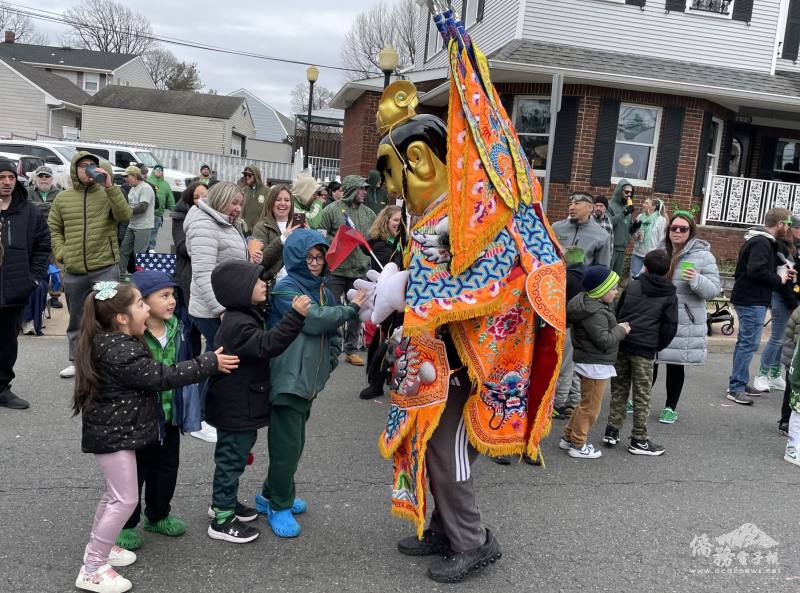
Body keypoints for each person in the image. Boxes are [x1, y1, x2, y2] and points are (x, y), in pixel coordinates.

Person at [71, 281, 237, 593]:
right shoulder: (121, 349)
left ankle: (101, 549)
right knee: (125, 499)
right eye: (140, 304)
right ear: (121, 317)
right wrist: (209, 362)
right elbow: (163, 377)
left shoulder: (113, 340)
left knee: (114, 497)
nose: (147, 308)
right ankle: (92, 566)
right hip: (114, 435)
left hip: (114, 431)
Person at [260, 230, 366, 538]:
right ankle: (278, 505)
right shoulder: (286, 289)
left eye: (319, 257)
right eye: (308, 257)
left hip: (307, 382)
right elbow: (316, 319)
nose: (315, 263)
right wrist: (352, 308)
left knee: (291, 445)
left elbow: (332, 331)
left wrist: (331, 361)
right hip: (287, 381)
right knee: (287, 448)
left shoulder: (322, 289)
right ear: (294, 257)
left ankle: (271, 494)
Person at [205, 260, 311, 544]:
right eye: (256, 282)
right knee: (231, 459)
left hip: (240, 404)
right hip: (235, 406)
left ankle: (222, 503)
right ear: (240, 291)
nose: (264, 284)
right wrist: (296, 316)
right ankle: (222, 518)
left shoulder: (242, 315)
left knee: (235, 457)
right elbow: (267, 345)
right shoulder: (239, 324)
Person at [111, 270, 208, 552]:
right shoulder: (131, 335)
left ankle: (158, 515)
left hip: (170, 416)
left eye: (173, 295)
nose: (172, 301)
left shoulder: (179, 328)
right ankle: (126, 524)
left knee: (166, 468)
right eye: (163, 296)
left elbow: (187, 366)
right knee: (134, 472)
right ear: (142, 302)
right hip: (138, 421)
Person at [48, 151, 132, 379]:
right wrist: (62, 253)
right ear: (75, 170)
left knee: (108, 315)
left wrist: (110, 186)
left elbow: (125, 215)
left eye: (91, 165)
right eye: (82, 165)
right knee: (76, 318)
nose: (87, 169)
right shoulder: (63, 198)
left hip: (104, 267)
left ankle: (110, 360)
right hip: (74, 270)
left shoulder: (108, 193)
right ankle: (76, 361)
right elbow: (55, 228)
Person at [184, 181, 249, 442]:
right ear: (220, 199)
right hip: (211, 308)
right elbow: (202, 274)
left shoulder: (222, 222)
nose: (237, 209)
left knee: (216, 358)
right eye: (233, 203)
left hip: (222, 305)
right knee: (215, 360)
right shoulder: (204, 225)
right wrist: (221, 310)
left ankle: (204, 413)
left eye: (240, 204)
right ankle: (198, 418)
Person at [602, 249, 678, 455]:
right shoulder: (670, 294)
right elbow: (670, 326)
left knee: (619, 387)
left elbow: (618, 312)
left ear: (644, 266)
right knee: (642, 394)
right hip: (645, 348)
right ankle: (639, 438)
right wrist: (656, 344)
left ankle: (612, 429)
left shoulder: (633, 285)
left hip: (624, 342)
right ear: (668, 269)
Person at [653, 212, 720, 424]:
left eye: (683, 228)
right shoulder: (659, 251)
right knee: (648, 362)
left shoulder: (703, 256)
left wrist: (696, 279)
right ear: (668, 230)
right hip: (656, 316)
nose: (678, 232)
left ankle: (670, 407)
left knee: (675, 364)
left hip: (683, 318)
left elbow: (713, 290)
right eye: (674, 228)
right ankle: (638, 401)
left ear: (691, 232)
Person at [727, 207, 794, 405]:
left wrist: (781, 272)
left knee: (746, 343)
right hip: (750, 299)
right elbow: (755, 270)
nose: (789, 228)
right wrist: (779, 278)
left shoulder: (763, 241)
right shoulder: (761, 242)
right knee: (748, 343)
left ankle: (739, 381)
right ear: (780, 224)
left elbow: (758, 268)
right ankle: (736, 387)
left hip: (751, 298)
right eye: (788, 224)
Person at [561, 265, 630, 459]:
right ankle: (578, 444)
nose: (616, 292)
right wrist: (621, 330)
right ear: (600, 291)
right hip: (595, 365)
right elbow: (604, 340)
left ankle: (569, 437)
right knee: (591, 407)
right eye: (613, 288)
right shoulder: (596, 312)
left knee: (584, 403)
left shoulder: (590, 306)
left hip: (589, 362)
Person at [0, 158, 50, 410]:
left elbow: (42, 247)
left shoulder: (28, 211)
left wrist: (31, 279)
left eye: (10, 177)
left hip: (13, 291)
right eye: (2, 177)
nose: (7, 182)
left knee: (7, 342)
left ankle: (2, 388)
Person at [318, 175, 377, 366]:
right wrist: (336, 243)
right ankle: (327, 347)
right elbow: (319, 235)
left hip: (359, 270)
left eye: (366, 189)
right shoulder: (331, 210)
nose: (365, 192)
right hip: (335, 270)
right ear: (351, 189)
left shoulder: (369, 214)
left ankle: (350, 349)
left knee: (356, 312)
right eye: (361, 189)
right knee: (332, 310)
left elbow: (375, 238)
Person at [359, 205, 404, 400]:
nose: (399, 224)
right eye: (396, 220)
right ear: (386, 221)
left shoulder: (398, 242)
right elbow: (391, 270)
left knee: (392, 340)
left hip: (399, 299)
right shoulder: (382, 246)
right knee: (386, 340)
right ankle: (376, 381)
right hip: (390, 302)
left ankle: (384, 379)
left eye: (401, 221)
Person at [752, 227, 798, 393]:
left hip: (793, 297)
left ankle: (775, 374)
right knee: (777, 338)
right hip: (782, 297)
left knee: (786, 339)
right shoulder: (780, 247)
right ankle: (761, 375)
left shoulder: (794, 247)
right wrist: (793, 304)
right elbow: (783, 278)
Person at [172, 182, 207, 359]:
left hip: (207, 281)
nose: (201, 200)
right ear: (189, 199)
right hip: (186, 277)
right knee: (188, 328)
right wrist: (204, 246)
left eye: (205, 196)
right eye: (196, 197)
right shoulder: (180, 217)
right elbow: (181, 246)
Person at [552, 246, 586, 420]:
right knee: (573, 367)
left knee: (563, 367)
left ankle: (558, 404)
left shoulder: (566, 278)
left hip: (565, 326)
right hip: (580, 327)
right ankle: (575, 401)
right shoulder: (586, 278)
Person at [251, 184, 299, 288]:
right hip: (273, 286)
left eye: (287, 200)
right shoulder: (261, 227)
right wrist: (282, 239)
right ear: (271, 203)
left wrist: (308, 237)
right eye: (278, 200)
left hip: (296, 286)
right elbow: (259, 263)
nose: (283, 203)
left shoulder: (298, 226)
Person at [551, 192, 612, 267]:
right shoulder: (555, 228)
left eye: (577, 203)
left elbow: (601, 270)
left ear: (590, 208)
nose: (571, 207)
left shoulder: (603, 236)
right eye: (570, 204)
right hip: (554, 277)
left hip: (583, 278)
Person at [118, 166, 155, 277]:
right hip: (132, 224)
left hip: (143, 226)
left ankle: (140, 276)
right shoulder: (133, 188)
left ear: (134, 176)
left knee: (139, 254)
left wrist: (126, 212)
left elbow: (143, 207)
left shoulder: (145, 188)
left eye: (127, 176)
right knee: (124, 250)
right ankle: (122, 273)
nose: (125, 179)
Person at [630, 198, 667, 278]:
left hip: (651, 256)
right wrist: (634, 231)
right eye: (644, 202)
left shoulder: (660, 220)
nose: (643, 205)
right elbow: (634, 237)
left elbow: (662, 240)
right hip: (637, 252)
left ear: (653, 207)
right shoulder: (640, 217)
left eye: (646, 203)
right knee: (633, 276)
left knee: (648, 278)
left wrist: (659, 255)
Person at [607, 179, 635, 277]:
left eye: (631, 193)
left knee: (616, 278)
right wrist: (624, 213)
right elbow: (608, 223)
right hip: (611, 248)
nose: (629, 195)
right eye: (626, 192)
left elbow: (627, 230)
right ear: (619, 191)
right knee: (607, 277)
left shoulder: (627, 207)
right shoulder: (610, 205)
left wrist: (634, 227)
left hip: (622, 249)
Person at [147, 165, 175, 251]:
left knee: (153, 234)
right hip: (146, 213)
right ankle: (143, 250)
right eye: (157, 170)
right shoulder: (147, 181)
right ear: (153, 171)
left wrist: (173, 209)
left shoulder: (165, 184)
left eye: (160, 170)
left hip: (158, 215)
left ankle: (151, 249)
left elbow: (170, 198)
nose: (158, 171)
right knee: (144, 233)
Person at [239, 165, 269, 234]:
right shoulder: (243, 191)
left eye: (249, 175)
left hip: (260, 232)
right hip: (244, 231)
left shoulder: (267, 192)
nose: (247, 177)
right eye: (245, 175)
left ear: (256, 176)